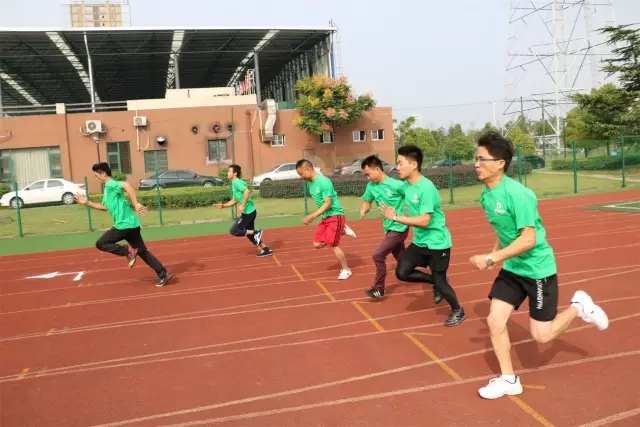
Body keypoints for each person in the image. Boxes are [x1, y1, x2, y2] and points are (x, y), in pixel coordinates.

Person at [469, 131, 609, 400]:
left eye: (482, 159)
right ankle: (509, 380)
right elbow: (505, 231)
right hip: (513, 269)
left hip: (538, 271)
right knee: (494, 321)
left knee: (542, 336)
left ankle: (579, 306)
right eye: (476, 159)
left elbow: (529, 239)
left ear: (500, 163)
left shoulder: (519, 195)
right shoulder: (486, 196)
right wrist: (495, 253)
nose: (476, 164)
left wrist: (490, 259)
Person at [378, 145, 465, 327]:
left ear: (414, 164)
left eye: (400, 163)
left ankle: (457, 310)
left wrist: (396, 217)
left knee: (441, 283)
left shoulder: (426, 188)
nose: (397, 167)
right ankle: (434, 281)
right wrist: (374, 175)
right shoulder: (406, 186)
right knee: (402, 272)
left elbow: (425, 220)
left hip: (437, 243)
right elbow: (386, 182)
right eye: (397, 164)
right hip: (420, 242)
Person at [359, 154, 443, 303]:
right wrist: (364, 208)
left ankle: (378, 289)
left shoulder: (396, 185)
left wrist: (420, 210)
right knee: (404, 262)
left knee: (378, 255)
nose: (367, 178)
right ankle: (436, 279)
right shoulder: (371, 186)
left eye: (368, 174)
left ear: (377, 169)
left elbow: (413, 194)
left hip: (399, 227)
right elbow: (367, 200)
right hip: (388, 228)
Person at [74, 162, 173, 287]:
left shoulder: (110, 184)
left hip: (123, 225)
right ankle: (163, 274)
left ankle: (128, 252)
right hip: (132, 224)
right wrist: (87, 203)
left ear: (103, 174)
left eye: (96, 175)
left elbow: (127, 185)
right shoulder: (107, 188)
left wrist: (136, 204)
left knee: (101, 243)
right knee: (142, 251)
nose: (96, 178)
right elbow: (104, 207)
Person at [296, 159, 356, 280]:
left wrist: (312, 216)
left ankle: (346, 270)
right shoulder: (309, 183)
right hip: (326, 217)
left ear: (309, 169)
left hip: (335, 214)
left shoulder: (323, 182)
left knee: (333, 245)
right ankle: (342, 230)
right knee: (317, 244)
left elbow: (328, 203)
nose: (301, 177)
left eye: (301, 174)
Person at [213, 164, 273, 257]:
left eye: (229, 171)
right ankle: (265, 249)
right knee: (249, 233)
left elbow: (246, 191)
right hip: (250, 212)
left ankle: (257, 232)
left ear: (235, 173)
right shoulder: (234, 183)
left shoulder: (237, 182)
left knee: (234, 230)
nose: (227, 173)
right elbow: (234, 200)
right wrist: (223, 205)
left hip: (248, 213)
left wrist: (242, 205)